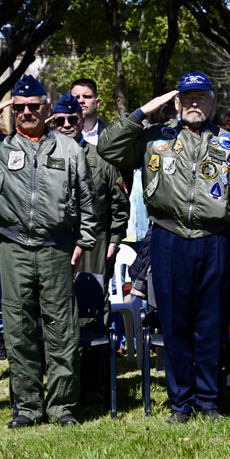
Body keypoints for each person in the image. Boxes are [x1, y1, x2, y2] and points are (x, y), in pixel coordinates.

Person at [98, 71, 230, 423]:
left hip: (216, 239)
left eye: (201, 97)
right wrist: (142, 112)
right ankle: (180, 403)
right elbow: (107, 148)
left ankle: (209, 400)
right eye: (187, 98)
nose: (194, 104)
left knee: (211, 321)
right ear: (176, 102)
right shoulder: (156, 138)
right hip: (168, 238)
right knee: (174, 323)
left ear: (212, 102)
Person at [0, 75, 98, 428]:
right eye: (20, 106)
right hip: (13, 247)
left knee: (63, 329)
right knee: (19, 328)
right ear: (13, 110)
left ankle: (61, 407)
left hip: (57, 247)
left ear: (46, 108)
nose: (27, 112)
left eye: (33, 106)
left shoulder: (68, 149)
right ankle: (27, 407)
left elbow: (87, 199)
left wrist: (83, 243)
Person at [50, 93, 129, 321]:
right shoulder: (41, 158)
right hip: (55, 240)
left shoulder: (101, 158)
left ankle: (97, 355)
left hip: (95, 241)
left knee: (93, 305)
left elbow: (120, 205)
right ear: (53, 123)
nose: (66, 126)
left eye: (72, 120)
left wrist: (114, 242)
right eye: (60, 121)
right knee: (55, 302)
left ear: (82, 122)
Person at [70, 78, 106, 146]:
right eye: (76, 97)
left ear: (97, 102)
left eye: (86, 96)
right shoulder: (60, 134)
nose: (81, 101)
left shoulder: (111, 133)